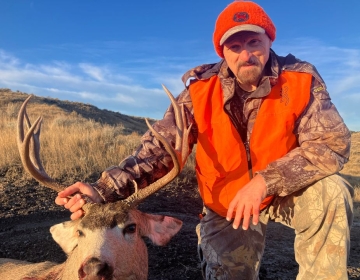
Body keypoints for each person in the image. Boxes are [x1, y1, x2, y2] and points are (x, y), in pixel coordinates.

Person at [55, 1, 354, 279]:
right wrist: (103, 189)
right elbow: (159, 150)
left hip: (285, 192)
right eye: (234, 46)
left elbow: (332, 143)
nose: (245, 54)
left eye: (254, 42)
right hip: (228, 206)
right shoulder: (199, 92)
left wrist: (265, 182)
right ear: (222, 51)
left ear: (269, 40)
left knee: (331, 192)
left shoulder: (300, 80)